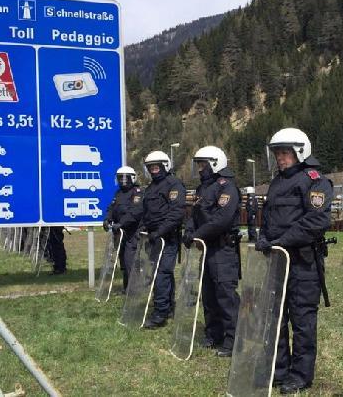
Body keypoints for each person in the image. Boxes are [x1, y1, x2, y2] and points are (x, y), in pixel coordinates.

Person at [255, 127, 332, 394]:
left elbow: (317, 221)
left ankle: (300, 375)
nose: (280, 158)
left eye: (285, 153)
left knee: (302, 320)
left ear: (300, 152)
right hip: (278, 260)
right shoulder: (277, 182)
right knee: (276, 316)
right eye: (277, 153)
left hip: (302, 262)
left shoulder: (314, 180)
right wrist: (264, 238)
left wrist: (281, 241)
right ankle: (278, 369)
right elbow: (269, 217)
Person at [183, 146, 241, 357]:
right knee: (208, 293)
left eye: (203, 164)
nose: (200, 169)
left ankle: (233, 339)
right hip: (207, 248)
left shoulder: (227, 187)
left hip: (223, 249)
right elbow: (194, 214)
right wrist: (189, 231)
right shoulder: (202, 189)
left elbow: (221, 220)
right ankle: (213, 333)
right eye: (198, 164)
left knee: (225, 294)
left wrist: (198, 233)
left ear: (215, 163)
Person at [140, 151, 186, 329]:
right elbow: (147, 212)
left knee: (162, 274)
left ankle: (160, 314)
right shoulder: (151, 187)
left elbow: (176, 214)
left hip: (167, 237)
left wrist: (159, 232)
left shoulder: (173, 184)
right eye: (150, 167)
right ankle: (168, 306)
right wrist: (144, 228)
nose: (153, 170)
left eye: (156, 166)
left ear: (165, 165)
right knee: (159, 273)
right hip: (153, 238)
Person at [103, 166, 143, 292]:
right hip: (120, 233)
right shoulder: (118, 193)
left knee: (130, 260)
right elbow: (112, 207)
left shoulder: (137, 192)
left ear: (132, 178)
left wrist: (122, 223)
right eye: (120, 178)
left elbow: (135, 212)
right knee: (124, 261)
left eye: (126, 178)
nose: (123, 181)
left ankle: (133, 288)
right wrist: (107, 218)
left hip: (132, 232)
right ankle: (127, 287)